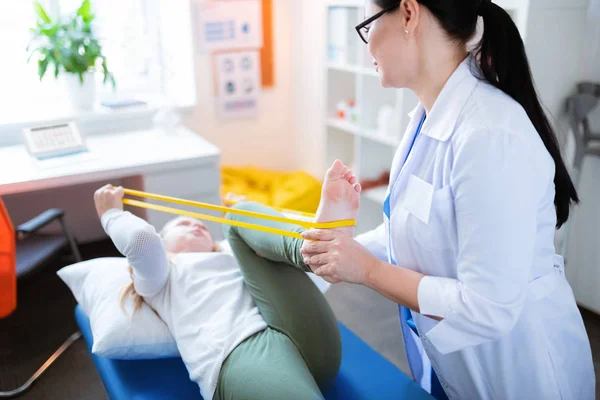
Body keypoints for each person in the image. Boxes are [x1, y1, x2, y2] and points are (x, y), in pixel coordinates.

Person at [300, 1, 596, 399]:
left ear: (408, 14)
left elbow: (488, 305)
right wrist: (337, 249)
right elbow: (412, 233)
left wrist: (366, 269)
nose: (366, 44)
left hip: (521, 375)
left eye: (368, 25)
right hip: (459, 365)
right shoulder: (427, 118)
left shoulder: (490, 135)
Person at [92, 161, 361, 400]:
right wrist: (111, 215)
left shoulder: (232, 256)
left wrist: (249, 215)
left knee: (240, 215)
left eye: (200, 225)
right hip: (241, 352)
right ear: (166, 244)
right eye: (183, 225)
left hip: (306, 340)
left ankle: (321, 251)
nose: (196, 224)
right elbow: (142, 242)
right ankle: (321, 250)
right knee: (239, 217)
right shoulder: (162, 277)